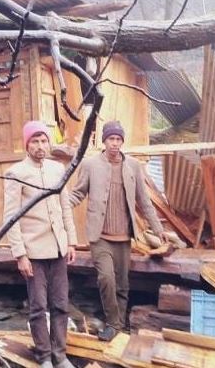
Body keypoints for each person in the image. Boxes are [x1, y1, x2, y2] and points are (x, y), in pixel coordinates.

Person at [70, 120, 167, 341]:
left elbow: (144, 200)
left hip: (124, 237)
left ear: (122, 141)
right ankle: (113, 323)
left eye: (118, 139)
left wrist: (158, 228)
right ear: (104, 141)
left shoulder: (133, 165)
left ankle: (119, 326)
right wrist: (60, 203)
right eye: (111, 139)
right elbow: (77, 193)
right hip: (100, 236)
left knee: (123, 284)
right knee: (106, 279)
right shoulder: (90, 165)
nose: (114, 143)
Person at [3, 121, 80, 368]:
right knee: (38, 307)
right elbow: (10, 217)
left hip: (58, 248)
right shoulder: (15, 173)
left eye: (43, 141)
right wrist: (20, 254)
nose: (40, 146)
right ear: (27, 144)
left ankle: (60, 356)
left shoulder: (58, 169)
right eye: (34, 141)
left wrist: (71, 241)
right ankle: (45, 358)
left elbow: (65, 207)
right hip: (33, 251)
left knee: (60, 304)